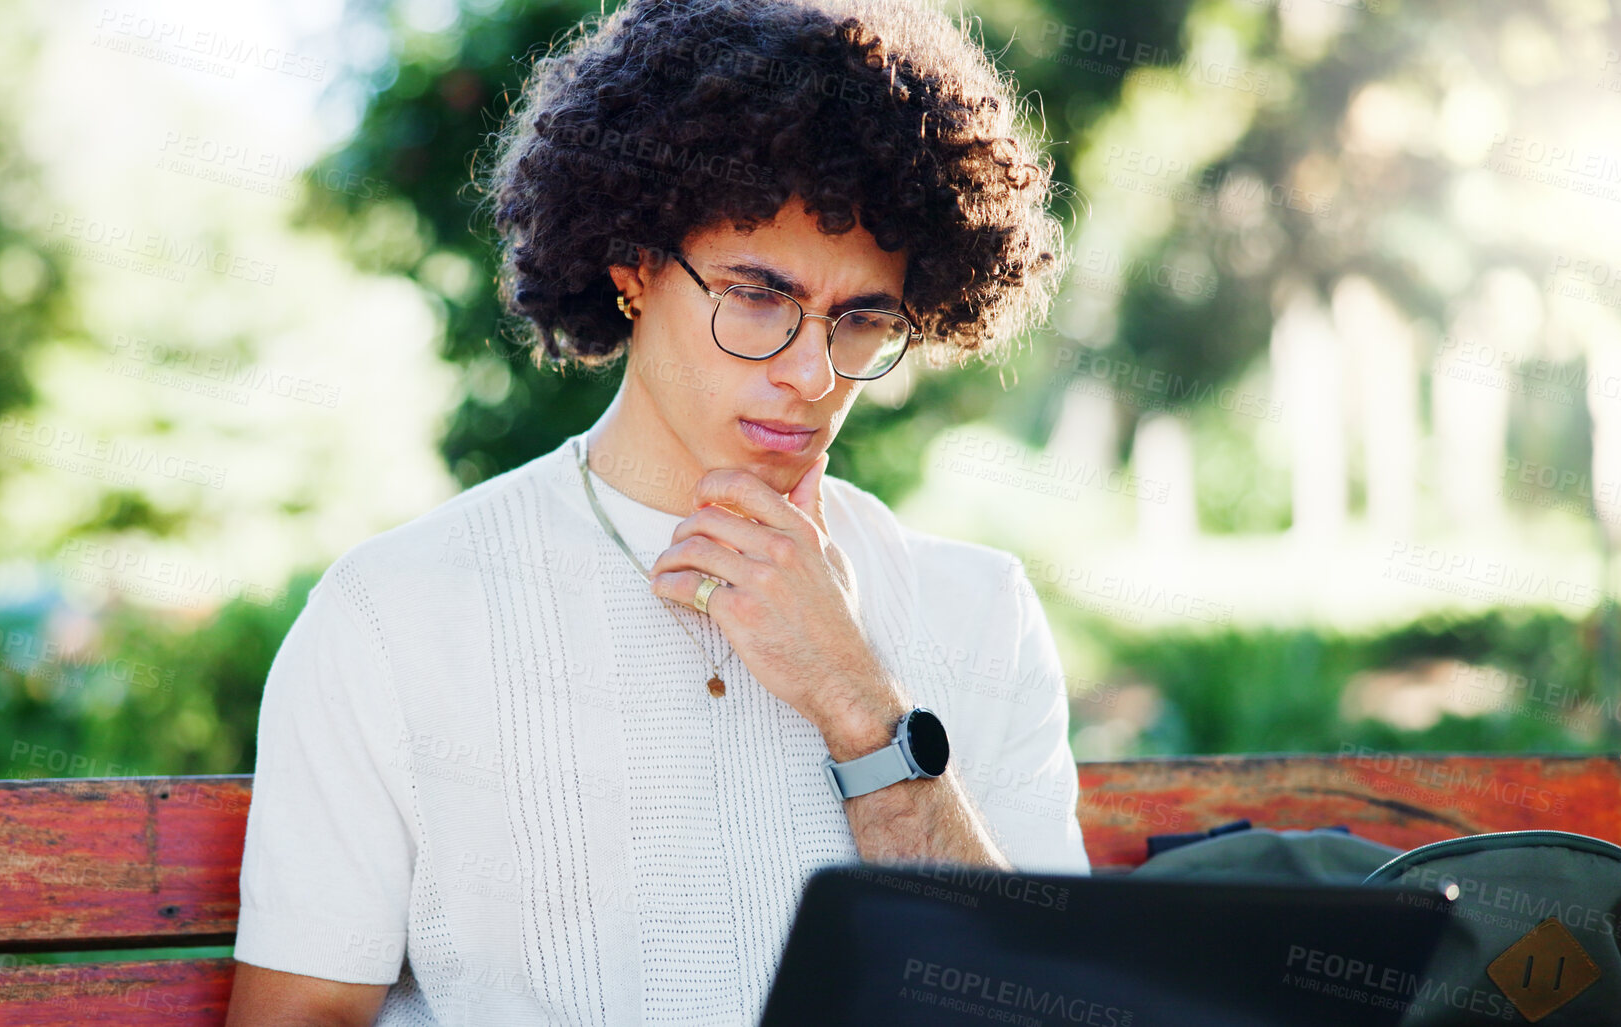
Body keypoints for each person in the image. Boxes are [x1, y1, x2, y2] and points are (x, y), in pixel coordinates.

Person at [226, 0, 1080, 1023]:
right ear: (633, 267)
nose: (812, 373)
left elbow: (1040, 1007)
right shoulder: (394, 615)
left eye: (862, 319)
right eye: (758, 296)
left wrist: (863, 710)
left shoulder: (980, 609)